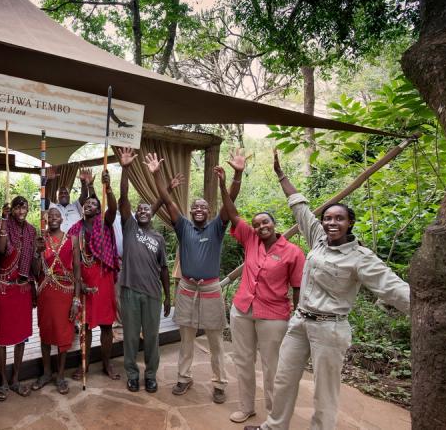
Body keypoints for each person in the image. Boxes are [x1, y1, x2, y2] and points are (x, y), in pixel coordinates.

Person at [244, 150, 411, 430]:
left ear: (350, 224)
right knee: (283, 378)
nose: (332, 223)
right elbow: (300, 207)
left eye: (339, 219)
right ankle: (274, 426)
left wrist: (423, 309)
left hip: (330, 329)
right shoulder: (318, 239)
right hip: (300, 322)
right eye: (328, 218)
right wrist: (281, 175)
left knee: (325, 392)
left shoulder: (360, 257)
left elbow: (392, 286)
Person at [149, 149, 247, 402]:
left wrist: (235, 176)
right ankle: (183, 378)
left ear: (210, 210)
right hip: (187, 288)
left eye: (203, 206)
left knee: (215, 340)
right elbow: (166, 200)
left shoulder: (217, 226)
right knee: (187, 339)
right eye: (195, 207)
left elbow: (230, 203)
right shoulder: (183, 226)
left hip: (211, 290)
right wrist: (157, 175)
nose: (199, 209)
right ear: (191, 212)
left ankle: (220, 384)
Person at [213, 166, 305, 424]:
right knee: (243, 360)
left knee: (272, 366)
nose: (261, 226)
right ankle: (246, 407)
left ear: (275, 224)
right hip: (242, 310)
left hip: (274, 315)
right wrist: (224, 184)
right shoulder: (250, 239)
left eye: (265, 222)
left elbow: (298, 287)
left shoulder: (293, 253)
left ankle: (275, 415)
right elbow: (232, 213)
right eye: (256, 224)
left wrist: (298, 316)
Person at [116, 147, 171, 393]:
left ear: (153, 214)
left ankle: (150, 375)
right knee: (129, 337)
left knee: (151, 338)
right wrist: (125, 168)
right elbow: (124, 197)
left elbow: (164, 269)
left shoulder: (158, 238)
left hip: (152, 294)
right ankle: (131, 373)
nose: (143, 211)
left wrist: (168, 296)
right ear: (136, 215)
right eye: (140, 210)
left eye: (147, 209)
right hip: (129, 292)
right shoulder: (129, 228)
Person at [68, 168, 120, 381]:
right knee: (86, 326)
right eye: (87, 204)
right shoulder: (75, 229)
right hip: (85, 280)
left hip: (103, 278)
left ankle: (107, 363)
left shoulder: (103, 223)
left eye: (94, 205)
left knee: (107, 325)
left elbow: (114, 208)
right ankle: (85, 364)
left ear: (99, 210)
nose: (90, 206)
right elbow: (67, 251)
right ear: (83, 208)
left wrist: (107, 189)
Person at [30, 207, 82, 394]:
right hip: (45, 293)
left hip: (66, 294)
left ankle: (60, 375)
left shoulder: (73, 239)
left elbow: (77, 270)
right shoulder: (40, 240)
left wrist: (76, 299)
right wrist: (37, 253)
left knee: (64, 335)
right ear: (46, 219)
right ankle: (46, 373)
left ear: (62, 219)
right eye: (50, 216)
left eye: (56, 216)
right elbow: (35, 271)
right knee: (45, 334)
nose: (53, 218)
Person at [0, 195, 37, 400]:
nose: (21, 211)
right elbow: (2, 249)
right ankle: (2, 380)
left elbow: (34, 266)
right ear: (12, 210)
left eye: (24, 208)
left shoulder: (31, 230)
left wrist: (39, 252)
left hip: (23, 289)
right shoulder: (3, 225)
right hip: (4, 288)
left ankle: (15, 379)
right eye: (18, 208)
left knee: (21, 337)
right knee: (2, 338)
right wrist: (2, 223)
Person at [47, 166, 94, 233]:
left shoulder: (76, 205)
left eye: (66, 193)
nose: (63, 194)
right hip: (59, 242)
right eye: (61, 193)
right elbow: (44, 199)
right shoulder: (53, 207)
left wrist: (83, 182)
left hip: (76, 241)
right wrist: (49, 181)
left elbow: (84, 196)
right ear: (57, 196)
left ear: (69, 196)